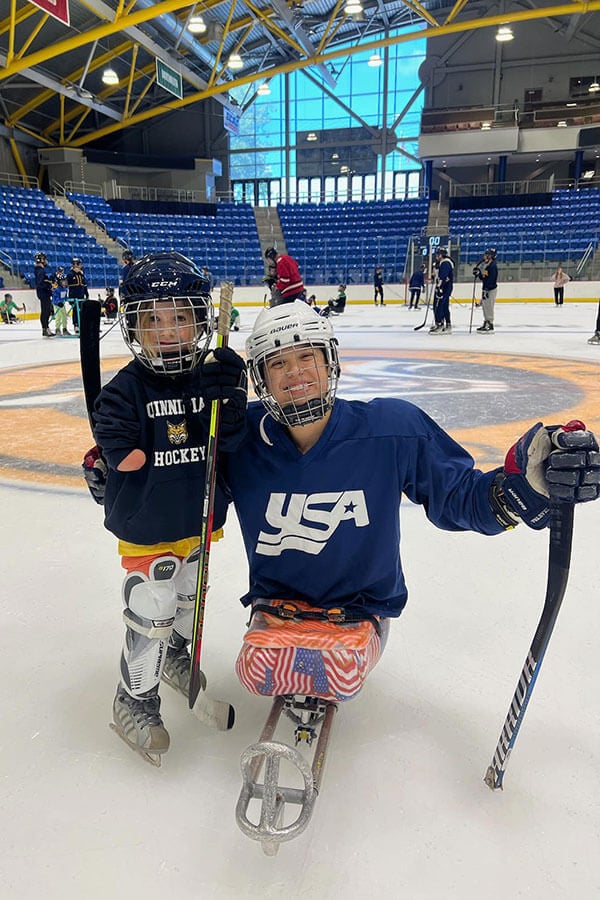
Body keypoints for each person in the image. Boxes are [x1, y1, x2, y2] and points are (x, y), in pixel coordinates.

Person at [222, 302, 600, 704]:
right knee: (257, 671)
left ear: (329, 362)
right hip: (276, 607)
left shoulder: (391, 429)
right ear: (260, 377)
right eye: (278, 363)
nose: (295, 372)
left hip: (359, 609)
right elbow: (192, 513)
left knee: (333, 672)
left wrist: (519, 489)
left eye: (306, 357)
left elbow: (458, 496)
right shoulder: (235, 439)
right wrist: (195, 424)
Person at [88, 252, 247, 766]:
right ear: (133, 327)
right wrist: (109, 446)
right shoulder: (125, 391)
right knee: (154, 600)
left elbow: (232, 444)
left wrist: (233, 402)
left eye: (180, 317)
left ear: (201, 321)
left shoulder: (211, 379)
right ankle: (134, 698)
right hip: (149, 522)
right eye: (152, 320)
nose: (168, 331)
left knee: (189, 595)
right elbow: (120, 451)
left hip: (196, 517)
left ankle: (176, 655)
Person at [429, 247, 454, 334]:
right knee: (443, 306)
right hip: (444, 287)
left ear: (442, 255)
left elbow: (443, 277)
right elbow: (439, 275)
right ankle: (446, 324)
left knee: (439, 306)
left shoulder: (445, 263)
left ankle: (440, 324)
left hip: (443, 287)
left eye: (438, 254)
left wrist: (439, 287)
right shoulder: (442, 263)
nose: (436, 256)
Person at [474, 248, 498, 334]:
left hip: (490, 289)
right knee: (485, 306)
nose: (484, 256)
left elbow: (492, 279)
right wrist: (478, 273)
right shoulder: (486, 265)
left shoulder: (492, 266)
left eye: (487, 255)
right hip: (485, 288)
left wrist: (487, 288)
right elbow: (484, 277)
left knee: (489, 306)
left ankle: (490, 323)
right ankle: (486, 321)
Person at [34, 251, 54, 337]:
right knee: (45, 311)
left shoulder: (40, 270)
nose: (45, 261)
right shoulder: (40, 271)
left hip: (44, 293)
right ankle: (45, 328)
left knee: (47, 311)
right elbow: (40, 283)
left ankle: (46, 328)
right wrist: (48, 285)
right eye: (44, 259)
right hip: (43, 293)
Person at [67, 257, 89, 335]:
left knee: (81, 310)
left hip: (81, 295)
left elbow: (84, 284)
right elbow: (67, 285)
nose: (81, 266)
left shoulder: (81, 274)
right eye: (79, 264)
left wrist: (86, 293)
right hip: (74, 295)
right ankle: (76, 324)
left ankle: (82, 324)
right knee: (75, 310)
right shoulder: (70, 274)